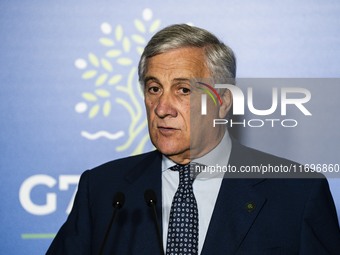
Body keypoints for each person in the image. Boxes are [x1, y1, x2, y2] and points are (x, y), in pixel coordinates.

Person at [46, 24, 340, 255]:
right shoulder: (102, 190)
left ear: (223, 100)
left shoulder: (298, 193)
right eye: (154, 89)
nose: (162, 108)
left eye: (183, 90)